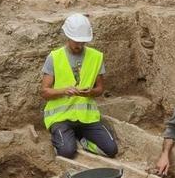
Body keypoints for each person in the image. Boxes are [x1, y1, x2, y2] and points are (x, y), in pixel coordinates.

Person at [40, 13, 119, 159]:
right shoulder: (54, 57)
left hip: (87, 118)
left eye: (83, 41)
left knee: (111, 149)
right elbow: (44, 92)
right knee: (67, 152)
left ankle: (82, 141)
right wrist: (64, 91)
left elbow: (100, 89)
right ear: (68, 36)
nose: (80, 45)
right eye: (76, 41)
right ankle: (66, 140)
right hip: (60, 117)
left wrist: (90, 92)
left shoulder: (96, 57)